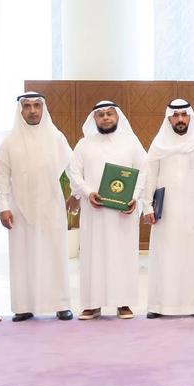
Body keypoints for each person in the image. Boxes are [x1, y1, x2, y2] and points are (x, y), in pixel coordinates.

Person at [0, 93, 74, 322]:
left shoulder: (56, 138)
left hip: (51, 207)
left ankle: (61, 304)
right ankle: (23, 306)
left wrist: (77, 194)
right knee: (22, 257)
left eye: (36, 106)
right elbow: (1, 177)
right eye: (27, 106)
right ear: (20, 110)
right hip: (19, 209)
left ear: (43, 108)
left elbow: (72, 168)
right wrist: (3, 207)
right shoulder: (9, 142)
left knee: (55, 255)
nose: (32, 111)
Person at [67, 101, 146, 320]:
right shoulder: (84, 144)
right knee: (93, 256)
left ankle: (124, 303)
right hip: (95, 211)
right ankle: (91, 304)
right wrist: (87, 192)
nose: (105, 118)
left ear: (117, 116)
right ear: (94, 118)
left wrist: (134, 196)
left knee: (123, 256)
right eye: (100, 114)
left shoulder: (131, 142)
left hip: (122, 213)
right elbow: (74, 172)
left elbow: (144, 170)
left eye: (109, 114)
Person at [142, 99, 194, 318]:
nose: (180, 119)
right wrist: (147, 206)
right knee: (164, 258)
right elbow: (149, 177)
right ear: (169, 119)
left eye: (184, 115)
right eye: (175, 116)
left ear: (190, 117)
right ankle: (159, 305)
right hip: (165, 213)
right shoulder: (158, 145)